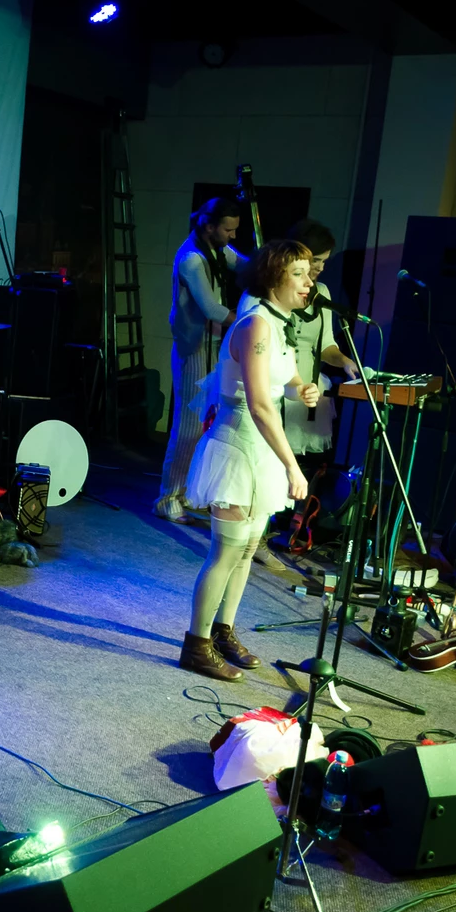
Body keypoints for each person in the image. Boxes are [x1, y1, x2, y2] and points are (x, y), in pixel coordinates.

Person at [177, 239, 322, 681]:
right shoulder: (256, 324)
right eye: (299, 274)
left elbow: (284, 378)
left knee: (245, 552)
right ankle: (196, 644)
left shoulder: (277, 323)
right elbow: (259, 405)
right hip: (239, 447)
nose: (309, 282)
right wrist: (293, 466)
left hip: (262, 450)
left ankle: (222, 632)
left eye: (309, 273)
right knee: (226, 552)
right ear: (274, 277)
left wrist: (301, 388)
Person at [236, 219, 359, 572]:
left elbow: (327, 345)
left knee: (303, 465)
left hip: (303, 386)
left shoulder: (322, 295)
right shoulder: (259, 305)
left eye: (321, 263)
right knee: (271, 458)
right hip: (270, 387)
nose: (317, 271)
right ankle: (253, 537)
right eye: (313, 262)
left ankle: (284, 532)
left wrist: (345, 361)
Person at [155, 198, 246, 523]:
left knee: (210, 422)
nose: (233, 236)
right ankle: (168, 497)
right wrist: (248, 322)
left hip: (214, 344)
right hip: (194, 347)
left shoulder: (217, 250)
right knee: (189, 426)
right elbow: (211, 308)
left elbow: (245, 265)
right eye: (228, 230)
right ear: (209, 226)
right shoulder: (192, 259)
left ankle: (189, 493)